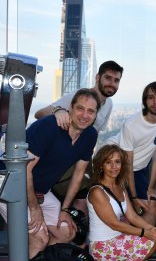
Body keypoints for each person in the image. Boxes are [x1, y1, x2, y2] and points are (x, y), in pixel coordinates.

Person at [0, 89, 100, 258]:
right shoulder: (48, 127)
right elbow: (25, 169)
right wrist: (35, 208)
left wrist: (65, 209)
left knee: (66, 232)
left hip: (39, 189)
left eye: (91, 111)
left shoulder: (90, 135)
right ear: (70, 108)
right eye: (80, 108)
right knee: (39, 238)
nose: (84, 115)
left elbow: (79, 175)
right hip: (8, 183)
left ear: (95, 115)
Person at [34, 60, 123, 212]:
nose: (112, 84)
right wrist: (58, 111)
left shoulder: (109, 104)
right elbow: (39, 114)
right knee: (78, 202)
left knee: (85, 203)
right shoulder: (80, 96)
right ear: (97, 77)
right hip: (61, 156)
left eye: (116, 80)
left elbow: (94, 135)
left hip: (81, 157)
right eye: (107, 78)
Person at [107, 81, 156, 261]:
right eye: (150, 97)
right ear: (145, 101)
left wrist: (150, 188)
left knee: (153, 203)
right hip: (116, 165)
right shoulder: (132, 124)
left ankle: (139, 255)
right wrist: (134, 196)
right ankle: (124, 259)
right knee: (125, 211)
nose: (155, 102)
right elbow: (127, 163)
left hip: (139, 169)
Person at [87, 144, 156, 261]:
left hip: (118, 240)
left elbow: (132, 216)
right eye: (108, 162)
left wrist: (151, 228)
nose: (114, 166)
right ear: (100, 165)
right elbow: (114, 224)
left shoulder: (120, 187)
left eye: (117, 162)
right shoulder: (97, 191)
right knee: (153, 240)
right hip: (103, 245)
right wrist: (146, 233)